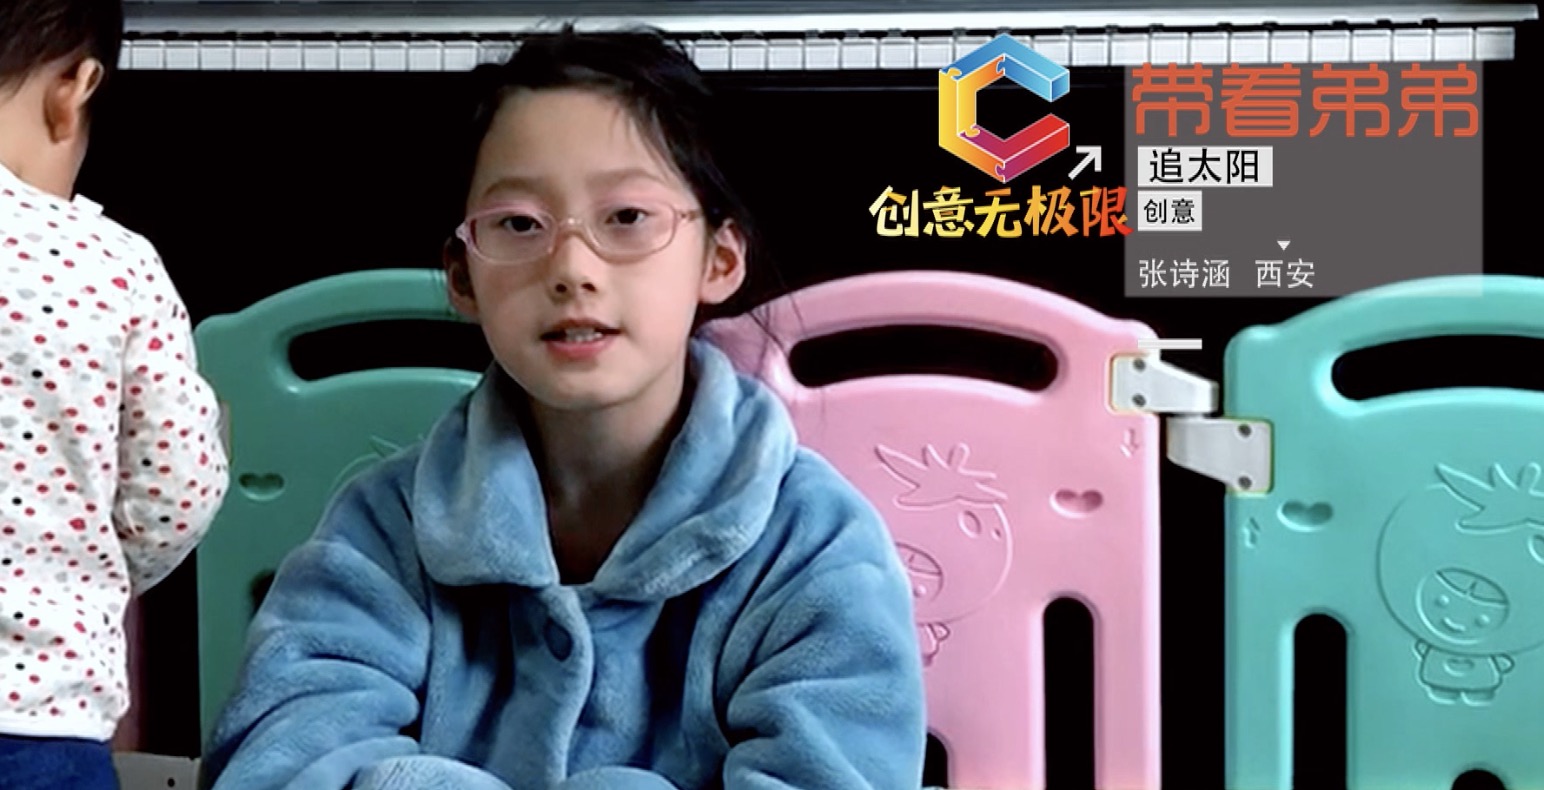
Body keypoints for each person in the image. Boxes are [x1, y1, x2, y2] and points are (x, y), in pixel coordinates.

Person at [201, 24, 927, 790]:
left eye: (627, 217)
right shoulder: (383, 529)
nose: (572, 268)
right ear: (462, 276)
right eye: (519, 224)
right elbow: (283, 757)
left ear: (718, 258)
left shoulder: (813, 542)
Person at [0, 0, 232, 787]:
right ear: (74, 88)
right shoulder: (115, 265)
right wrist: (81, 566)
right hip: (39, 721)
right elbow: (176, 494)